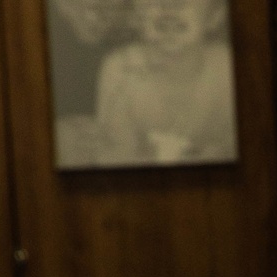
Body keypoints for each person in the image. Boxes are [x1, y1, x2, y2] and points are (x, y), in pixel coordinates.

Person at [95, 0, 237, 166]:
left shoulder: (226, 68)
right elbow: (115, 157)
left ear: (215, 15)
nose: (169, 5)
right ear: (135, 15)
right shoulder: (121, 69)